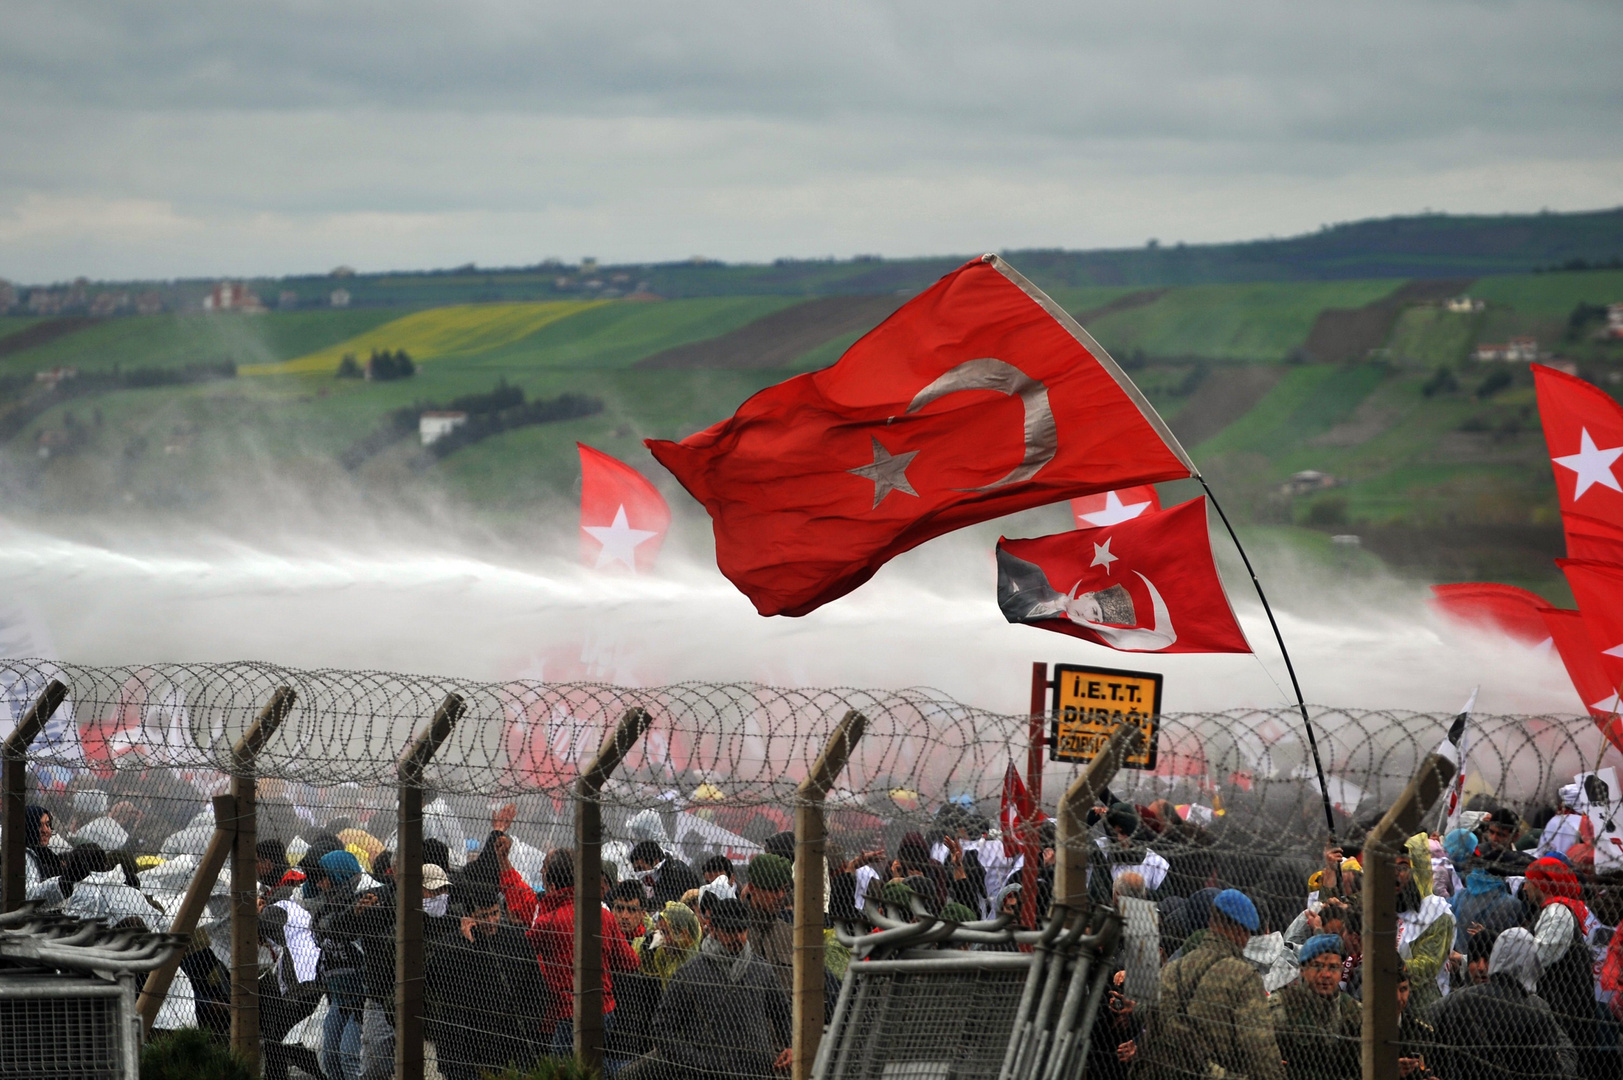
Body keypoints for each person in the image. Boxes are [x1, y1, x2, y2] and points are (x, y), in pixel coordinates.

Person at [618, 897, 792, 1080]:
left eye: (742, 930)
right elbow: (662, 1030)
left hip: (757, 1071)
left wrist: (790, 1045)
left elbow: (782, 1011)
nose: (738, 937)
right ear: (714, 930)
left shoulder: (761, 970)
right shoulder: (691, 974)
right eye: (730, 931)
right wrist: (697, 1061)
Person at [1131, 888, 1285, 1080]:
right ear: (1241, 932)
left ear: (1211, 922)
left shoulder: (1172, 970)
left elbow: (1145, 1019)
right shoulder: (1244, 978)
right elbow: (1259, 1050)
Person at [427, 880, 549, 1080]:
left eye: (495, 913)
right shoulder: (451, 945)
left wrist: (526, 1028)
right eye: (484, 916)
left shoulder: (516, 940)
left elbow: (535, 989)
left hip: (508, 1045)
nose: (492, 921)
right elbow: (436, 981)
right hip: (463, 1046)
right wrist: (466, 945)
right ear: (468, 918)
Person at [528, 847, 641, 1056]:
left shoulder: (547, 922)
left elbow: (524, 958)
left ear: (552, 886)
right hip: (602, 1010)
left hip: (568, 1014)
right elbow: (630, 961)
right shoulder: (602, 915)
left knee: (560, 1070)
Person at [1428, 927, 1577, 1080]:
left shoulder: (1533, 1006)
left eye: (1488, 959)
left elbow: (1566, 1052)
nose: (1481, 967)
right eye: (1475, 960)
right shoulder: (1451, 1002)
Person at [1522, 856, 1605, 1077]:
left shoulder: (1557, 913)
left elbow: (1536, 958)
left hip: (1564, 1014)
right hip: (1561, 1011)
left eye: (1528, 880)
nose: (1524, 886)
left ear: (1541, 884)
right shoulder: (1552, 910)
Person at [311, 849, 369, 1080]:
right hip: (339, 995)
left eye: (324, 877)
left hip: (363, 997)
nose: (320, 884)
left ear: (339, 875)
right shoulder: (326, 907)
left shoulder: (363, 907)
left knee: (349, 1057)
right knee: (330, 1057)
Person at [1270, 934, 1360, 1080]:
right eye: (1317, 966)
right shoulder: (1281, 1006)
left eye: (1333, 967)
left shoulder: (1354, 1011)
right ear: (1303, 970)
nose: (1326, 974)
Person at [743, 852, 795, 993]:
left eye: (784, 889)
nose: (780, 896)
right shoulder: (733, 931)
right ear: (753, 888)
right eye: (773, 890)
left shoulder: (790, 935)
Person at [629, 840, 702, 908]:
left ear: (655, 862)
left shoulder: (677, 873)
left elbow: (667, 900)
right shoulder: (656, 875)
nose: (639, 872)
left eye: (641, 868)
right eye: (636, 869)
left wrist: (642, 903)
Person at [21, 805, 66, 905]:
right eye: (39, 825)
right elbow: (29, 895)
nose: (46, 831)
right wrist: (62, 883)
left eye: (48, 824)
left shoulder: (44, 854)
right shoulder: (24, 856)